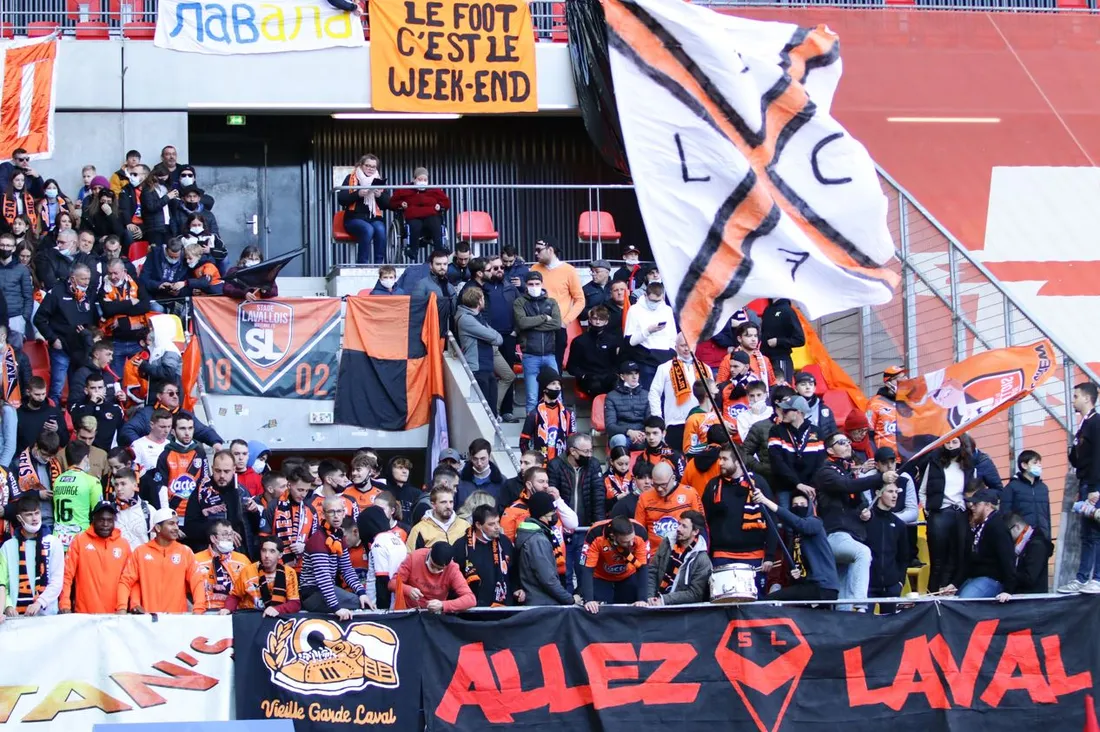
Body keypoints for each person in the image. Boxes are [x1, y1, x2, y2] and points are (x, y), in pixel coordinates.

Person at [815, 431, 887, 611]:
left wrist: (864, 511)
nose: (847, 444)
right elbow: (847, 487)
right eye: (841, 442)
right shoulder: (826, 472)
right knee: (863, 553)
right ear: (830, 451)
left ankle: (845, 624)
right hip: (835, 535)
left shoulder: (848, 473)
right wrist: (880, 478)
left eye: (847, 441)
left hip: (852, 535)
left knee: (842, 597)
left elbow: (860, 499)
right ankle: (861, 607)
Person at [702, 445, 776, 591]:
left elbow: (772, 520)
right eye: (719, 458)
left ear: (738, 462)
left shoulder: (758, 484)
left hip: (753, 556)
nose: (720, 463)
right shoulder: (713, 485)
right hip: (721, 555)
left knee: (754, 604)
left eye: (724, 459)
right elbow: (703, 522)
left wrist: (770, 555)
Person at [753, 490, 841, 602]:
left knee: (770, 601)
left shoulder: (815, 523)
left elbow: (801, 525)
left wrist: (766, 501)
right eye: (795, 505)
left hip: (823, 586)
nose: (798, 507)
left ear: (809, 507)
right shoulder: (794, 537)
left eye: (802, 505)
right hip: (809, 586)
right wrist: (798, 576)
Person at [117, 508, 206, 614]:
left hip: (177, 621)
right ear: (158, 528)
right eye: (171, 524)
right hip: (149, 621)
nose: (176, 528)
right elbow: (125, 581)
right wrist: (122, 608)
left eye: (177, 524)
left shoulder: (185, 552)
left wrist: (199, 609)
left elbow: (197, 582)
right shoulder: (140, 552)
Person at [299, 496, 374, 618]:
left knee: (363, 600)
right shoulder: (318, 540)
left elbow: (347, 569)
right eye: (331, 511)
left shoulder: (338, 537)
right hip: (313, 593)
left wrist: (361, 592)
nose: (336, 515)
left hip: (327, 590)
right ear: (323, 514)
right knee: (360, 604)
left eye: (339, 511)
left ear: (344, 513)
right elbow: (323, 578)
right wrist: (336, 608)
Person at [35, 263, 97, 405]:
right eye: (83, 279)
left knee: (79, 387)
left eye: (88, 279)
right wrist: (52, 338)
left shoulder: (89, 292)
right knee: (58, 387)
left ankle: (76, 417)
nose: (86, 282)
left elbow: (92, 318)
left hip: (81, 349)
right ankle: (53, 417)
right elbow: (39, 319)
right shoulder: (57, 292)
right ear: (73, 278)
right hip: (61, 347)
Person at [919, 436, 974, 593]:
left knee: (959, 556)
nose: (950, 446)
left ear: (961, 444)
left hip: (961, 512)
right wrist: (929, 511)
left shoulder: (968, 464)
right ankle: (933, 594)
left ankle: (952, 592)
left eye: (954, 442)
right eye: (947, 442)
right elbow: (923, 490)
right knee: (937, 560)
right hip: (940, 512)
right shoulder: (935, 462)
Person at [943, 489, 1017, 601]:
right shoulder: (980, 526)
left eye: (977, 504)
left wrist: (1008, 590)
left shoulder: (997, 527)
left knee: (964, 603)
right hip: (975, 578)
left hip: (991, 579)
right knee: (953, 601)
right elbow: (969, 561)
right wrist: (955, 584)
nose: (972, 507)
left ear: (988, 505)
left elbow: (1008, 559)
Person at [59, 500, 131, 614]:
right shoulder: (80, 541)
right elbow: (67, 575)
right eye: (101, 520)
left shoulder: (124, 545)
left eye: (109, 520)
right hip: (84, 615)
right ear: (94, 519)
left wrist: (123, 607)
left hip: (115, 615)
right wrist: (64, 603)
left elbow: (128, 580)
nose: (105, 524)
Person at [0, 495, 64, 616]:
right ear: (19, 518)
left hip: (47, 616)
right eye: (29, 515)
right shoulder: (7, 547)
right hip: (16, 617)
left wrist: (40, 602)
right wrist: (7, 605)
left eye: (37, 513)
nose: (34, 518)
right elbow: (3, 582)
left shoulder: (54, 542)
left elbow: (57, 581)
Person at [649, 334, 712, 451]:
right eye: (683, 345)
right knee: (677, 462)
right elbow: (654, 393)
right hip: (675, 423)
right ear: (676, 347)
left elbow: (712, 395)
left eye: (690, 345)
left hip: (701, 423)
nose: (687, 349)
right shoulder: (664, 368)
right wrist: (658, 418)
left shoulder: (706, 368)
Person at [530, 238, 584, 370]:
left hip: (557, 327)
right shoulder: (534, 269)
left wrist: (565, 321)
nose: (536, 253)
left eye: (539, 250)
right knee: (537, 369)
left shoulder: (569, 270)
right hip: (536, 326)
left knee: (555, 368)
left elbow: (580, 300)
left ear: (550, 250)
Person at [513, 491, 575, 606]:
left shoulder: (533, 534)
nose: (555, 516)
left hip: (537, 601)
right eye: (552, 512)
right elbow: (548, 579)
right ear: (543, 514)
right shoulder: (538, 540)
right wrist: (570, 600)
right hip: (543, 604)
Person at [184, 450, 252, 555]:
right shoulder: (201, 491)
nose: (222, 476)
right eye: (218, 471)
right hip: (207, 552)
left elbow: (251, 529)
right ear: (212, 469)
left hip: (236, 553)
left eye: (226, 471)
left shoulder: (242, 492)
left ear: (234, 470)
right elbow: (190, 527)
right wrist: (220, 532)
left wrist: (255, 512)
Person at [148, 412, 210, 523]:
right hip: (173, 514)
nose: (187, 433)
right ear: (173, 431)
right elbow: (161, 488)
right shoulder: (165, 455)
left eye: (190, 428)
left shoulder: (200, 452)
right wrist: (167, 515)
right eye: (182, 428)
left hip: (196, 513)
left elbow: (205, 482)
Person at [451, 504, 517, 607]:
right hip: (472, 611)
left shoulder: (504, 542)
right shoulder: (461, 546)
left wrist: (516, 589)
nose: (497, 527)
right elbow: (452, 577)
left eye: (497, 522)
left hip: (502, 609)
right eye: (491, 524)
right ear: (478, 525)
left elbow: (514, 571)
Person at [579, 516, 649, 612]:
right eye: (626, 542)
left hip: (628, 573)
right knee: (597, 609)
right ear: (613, 536)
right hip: (600, 576)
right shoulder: (595, 534)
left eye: (632, 539)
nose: (631, 544)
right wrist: (589, 600)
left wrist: (642, 599)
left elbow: (643, 568)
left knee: (630, 606)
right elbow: (587, 568)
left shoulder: (640, 532)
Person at [767, 395, 825, 510]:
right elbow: (777, 462)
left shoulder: (817, 432)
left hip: (810, 487)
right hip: (785, 487)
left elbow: (820, 463)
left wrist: (811, 485)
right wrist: (797, 483)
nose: (782, 413)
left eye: (786, 410)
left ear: (798, 412)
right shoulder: (776, 431)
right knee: (787, 524)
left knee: (810, 521)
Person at [642, 510, 711, 606]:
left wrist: (664, 600)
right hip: (655, 603)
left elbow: (695, 594)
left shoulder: (702, 560)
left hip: (680, 612)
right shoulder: (667, 543)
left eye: (684, 526)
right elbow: (653, 571)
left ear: (695, 531)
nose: (678, 528)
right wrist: (649, 597)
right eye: (679, 524)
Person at [513, 271, 561, 411]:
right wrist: (544, 318)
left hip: (549, 354)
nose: (534, 286)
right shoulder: (519, 302)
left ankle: (560, 426)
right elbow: (522, 323)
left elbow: (557, 324)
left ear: (542, 284)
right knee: (532, 397)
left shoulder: (551, 302)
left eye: (537, 284)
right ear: (526, 285)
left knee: (557, 394)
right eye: (531, 284)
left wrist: (532, 326)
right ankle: (531, 429)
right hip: (530, 355)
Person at [635, 461, 704, 553]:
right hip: (655, 556)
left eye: (663, 485)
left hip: (684, 554)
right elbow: (638, 531)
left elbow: (701, 527)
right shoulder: (644, 498)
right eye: (655, 484)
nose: (659, 489)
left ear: (673, 478)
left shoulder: (690, 494)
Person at [223, 537, 301, 616]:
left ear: (280, 555)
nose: (266, 555)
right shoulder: (248, 570)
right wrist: (227, 608)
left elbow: (294, 604)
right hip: (250, 617)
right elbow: (234, 596)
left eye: (272, 551)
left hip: (277, 618)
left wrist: (277, 609)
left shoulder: (289, 572)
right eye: (264, 550)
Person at [391, 541, 476, 613]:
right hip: (409, 611)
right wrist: (408, 590)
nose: (434, 570)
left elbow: (470, 599)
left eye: (439, 569)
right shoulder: (414, 558)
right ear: (430, 553)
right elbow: (392, 583)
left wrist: (443, 605)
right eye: (432, 565)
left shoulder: (452, 569)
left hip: (434, 614)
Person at [455, 286, 503, 414]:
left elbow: (497, 338)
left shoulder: (477, 316)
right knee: (483, 411)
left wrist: (494, 337)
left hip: (487, 367)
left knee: (491, 409)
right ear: (479, 301)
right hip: (477, 369)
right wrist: (493, 337)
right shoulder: (466, 319)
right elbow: (495, 338)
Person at [623, 281, 676, 390]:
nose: (655, 303)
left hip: (665, 359)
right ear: (645, 296)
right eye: (652, 300)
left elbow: (673, 336)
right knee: (647, 394)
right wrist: (648, 331)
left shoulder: (667, 310)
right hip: (645, 360)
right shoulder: (635, 310)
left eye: (658, 300)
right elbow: (629, 341)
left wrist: (671, 351)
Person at [51, 440, 104, 550]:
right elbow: (100, 514)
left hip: (58, 540)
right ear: (85, 458)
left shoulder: (58, 480)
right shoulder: (92, 481)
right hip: (81, 541)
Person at [865, 483, 909, 613]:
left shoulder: (899, 524)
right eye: (890, 491)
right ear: (878, 493)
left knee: (890, 629)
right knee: (865, 626)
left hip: (891, 586)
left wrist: (899, 582)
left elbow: (904, 556)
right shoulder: (867, 520)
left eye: (896, 492)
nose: (895, 495)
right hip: (868, 585)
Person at [338, 155, 390, 264]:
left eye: (373, 167)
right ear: (361, 165)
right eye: (367, 165)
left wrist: (379, 196)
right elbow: (342, 200)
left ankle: (379, 264)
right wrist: (358, 194)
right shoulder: (351, 178)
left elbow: (387, 204)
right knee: (368, 229)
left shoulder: (378, 181)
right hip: (353, 218)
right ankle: (362, 264)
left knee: (380, 230)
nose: (370, 168)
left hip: (374, 218)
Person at [519, 368, 575, 461]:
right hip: (541, 466)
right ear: (544, 388)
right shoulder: (534, 414)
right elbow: (523, 442)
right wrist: (532, 462)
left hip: (561, 465)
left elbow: (573, 441)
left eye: (559, 384)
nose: (557, 387)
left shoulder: (568, 413)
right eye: (553, 384)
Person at [196, 519, 252, 611]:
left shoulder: (243, 560)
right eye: (225, 534)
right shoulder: (196, 560)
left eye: (231, 534)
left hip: (236, 612)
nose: (230, 538)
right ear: (213, 538)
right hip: (206, 612)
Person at [391, 167, 449, 254]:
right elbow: (392, 202)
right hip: (414, 216)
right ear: (414, 179)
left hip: (431, 215)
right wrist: (401, 203)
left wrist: (440, 205)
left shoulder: (434, 190)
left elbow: (446, 202)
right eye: (420, 179)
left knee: (436, 223)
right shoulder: (404, 189)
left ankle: (439, 251)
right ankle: (413, 250)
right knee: (415, 226)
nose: (423, 181)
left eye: (425, 179)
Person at [1002, 449, 1051, 540]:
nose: (1039, 465)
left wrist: (1048, 538)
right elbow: (1005, 515)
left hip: (1042, 536)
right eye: (1035, 462)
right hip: (1022, 537)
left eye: (1040, 462)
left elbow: (1047, 515)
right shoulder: (1012, 487)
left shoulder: (1043, 488)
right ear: (1024, 465)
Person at [406, 484, 470, 550]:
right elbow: (411, 558)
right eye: (443, 502)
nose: (449, 506)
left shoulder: (465, 526)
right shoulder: (419, 529)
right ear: (433, 505)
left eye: (451, 502)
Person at [16, 377, 69, 455]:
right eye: (37, 394)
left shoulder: (54, 412)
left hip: (49, 459)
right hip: (24, 461)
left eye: (43, 394)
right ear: (28, 392)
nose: (41, 398)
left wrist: (57, 430)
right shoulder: (18, 414)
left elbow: (64, 441)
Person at [1003, 512, 1053, 594]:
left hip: (1033, 600)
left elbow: (1030, 578)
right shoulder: (1021, 546)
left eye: (1007, 533)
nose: (1006, 537)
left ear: (1017, 527)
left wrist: (1007, 572)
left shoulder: (1037, 545)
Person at [412, 249, 457, 337]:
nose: (442, 267)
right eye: (438, 264)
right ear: (431, 265)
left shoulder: (450, 287)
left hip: (449, 333)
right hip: (431, 333)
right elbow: (416, 312)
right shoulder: (422, 285)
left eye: (445, 264)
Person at [605, 360, 649, 450]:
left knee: (658, 437)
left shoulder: (647, 395)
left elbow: (651, 419)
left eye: (636, 373)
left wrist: (646, 433)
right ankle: (620, 464)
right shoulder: (611, 396)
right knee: (619, 439)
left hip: (642, 435)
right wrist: (629, 432)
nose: (634, 377)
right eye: (629, 374)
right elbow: (610, 426)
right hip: (623, 435)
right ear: (622, 376)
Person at [0, 233, 33, 350]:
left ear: (14, 248)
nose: (5, 248)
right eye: (2, 245)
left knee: (16, 356)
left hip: (16, 318)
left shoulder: (22, 269)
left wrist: (24, 318)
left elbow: (28, 296)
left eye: (8, 245)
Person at [760, 298, 805, 383]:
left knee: (782, 388)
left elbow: (800, 339)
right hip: (765, 358)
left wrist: (779, 341)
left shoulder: (787, 311)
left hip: (781, 358)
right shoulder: (768, 309)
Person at [719, 322, 775, 386]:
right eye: (749, 336)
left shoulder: (765, 360)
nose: (754, 339)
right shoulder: (729, 358)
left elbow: (772, 385)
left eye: (755, 336)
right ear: (739, 339)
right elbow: (720, 385)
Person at [681, 424, 728, 497]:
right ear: (726, 443)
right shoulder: (724, 463)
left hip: (696, 506)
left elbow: (683, 490)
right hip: (718, 505)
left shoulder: (691, 463)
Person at [112, 468, 153, 550]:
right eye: (116, 485)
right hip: (118, 560)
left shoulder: (149, 511)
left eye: (123, 484)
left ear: (134, 486)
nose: (119, 488)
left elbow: (155, 543)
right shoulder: (110, 510)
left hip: (142, 560)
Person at [867, 366, 904, 455]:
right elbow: (868, 434)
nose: (903, 381)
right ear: (888, 383)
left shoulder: (909, 401)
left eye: (904, 377)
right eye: (898, 379)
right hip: (886, 458)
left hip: (907, 457)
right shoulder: (875, 403)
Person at [456, 439, 505, 505]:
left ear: (489, 456)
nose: (479, 463)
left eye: (483, 459)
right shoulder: (458, 480)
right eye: (475, 459)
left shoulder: (502, 481)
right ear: (470, 457)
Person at [792, 371, 836, 437]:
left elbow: (833, 433)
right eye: (803, 384)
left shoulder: (825, 410)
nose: (808, 387)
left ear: (814, 388)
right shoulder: (790, 408)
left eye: (811, 384)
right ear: (796, 389)